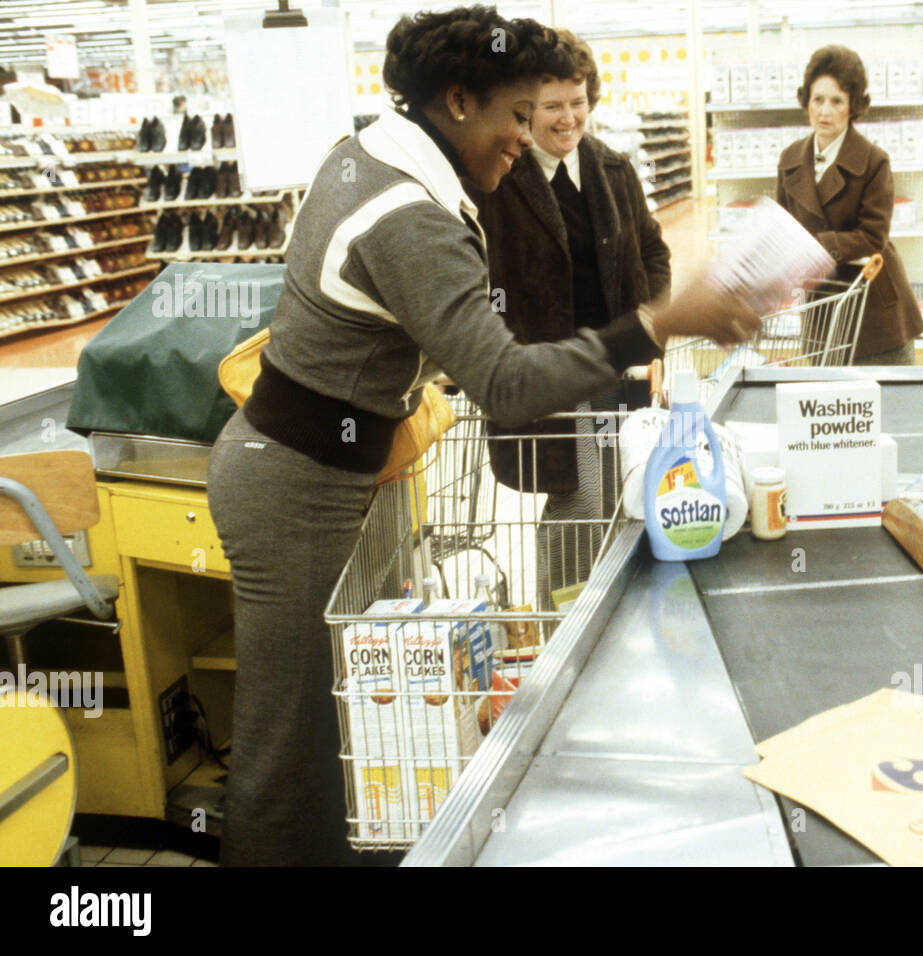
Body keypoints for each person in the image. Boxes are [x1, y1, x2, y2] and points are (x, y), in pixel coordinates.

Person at [205, 5, 758, 867]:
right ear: (458, 100)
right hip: (293, 487)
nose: (525, 136)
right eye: (514, 115)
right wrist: (660, 320)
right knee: (292, 746)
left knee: (347, 718)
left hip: (335, 467)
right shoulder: (410, 217)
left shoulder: (372, 153)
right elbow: (502, 382)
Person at [472, 29, 668, 610]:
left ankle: (613, 616)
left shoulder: (613, 169)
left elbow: (654, 253)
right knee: (577, 499)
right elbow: (478, 272)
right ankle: (562, 624)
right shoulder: (500, 180)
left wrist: (653, 323)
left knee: (624, 491)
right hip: (546, 372)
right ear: (527, 112)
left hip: (620, 368)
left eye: (577, 102)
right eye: (551, 106)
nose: (567, 118)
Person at [776, 45, 923, 365]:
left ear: (853, 106)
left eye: (836, 101)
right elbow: (783, 230)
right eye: (817, 99)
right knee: (829, 408)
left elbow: (873, 237)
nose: (824, 111)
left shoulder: (873, 161)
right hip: (821, 309)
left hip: (872, 310)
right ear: (806, 101)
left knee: (887, 406)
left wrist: (815, 247)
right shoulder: (789, 160)